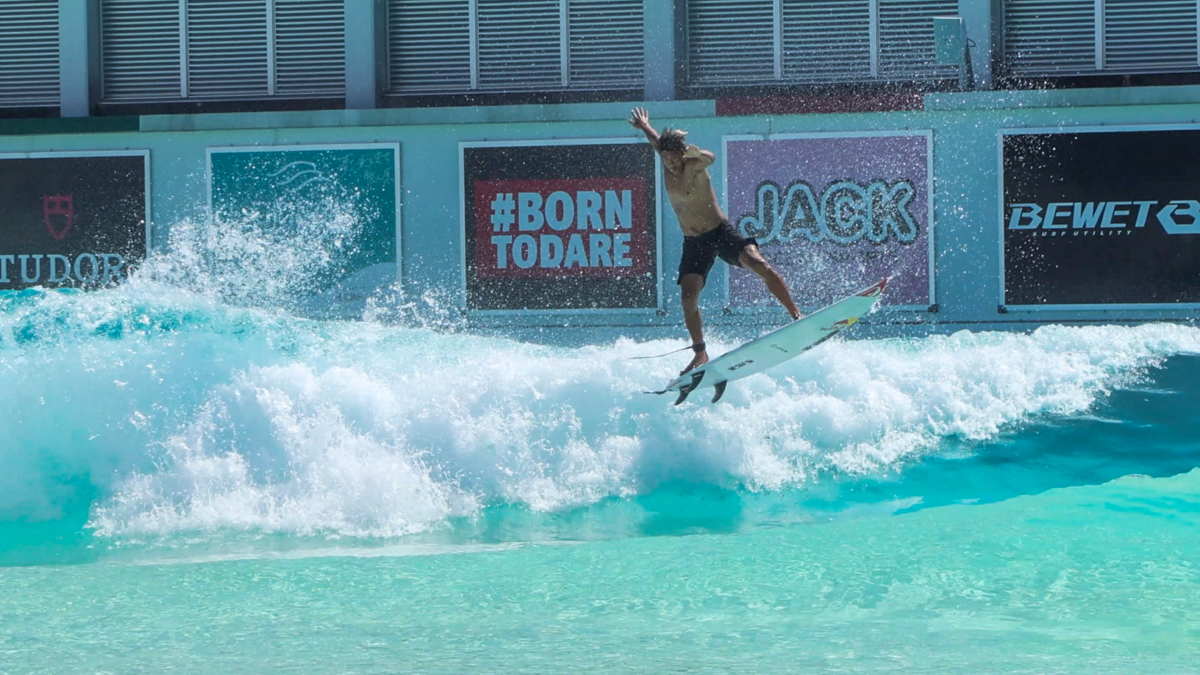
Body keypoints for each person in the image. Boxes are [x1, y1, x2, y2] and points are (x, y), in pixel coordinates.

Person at [628, 107, 801, 374]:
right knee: (688, 299)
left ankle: (796, 316)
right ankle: (700, 353)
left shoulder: (693, 165)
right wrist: (645, 126)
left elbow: (710, 158)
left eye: (674, 158)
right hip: (694, 242)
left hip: (720, 233)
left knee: (760, 265)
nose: (670, 163)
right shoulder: (665, 157)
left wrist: (697, 153)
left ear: (683, 154)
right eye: (666, 158)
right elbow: (656, 142)